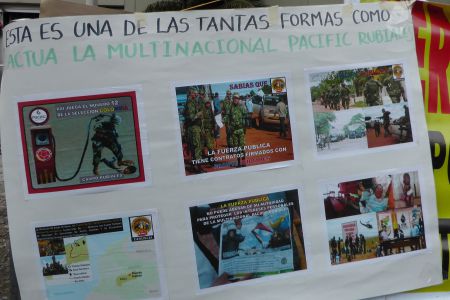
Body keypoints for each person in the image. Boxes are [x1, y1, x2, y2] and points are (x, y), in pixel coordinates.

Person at [184, 88, 205, 173]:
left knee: (193, 148)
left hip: (193, 128)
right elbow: (192, 117)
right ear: (190, 94)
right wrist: (199, 114)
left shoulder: (192, 102)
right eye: (194, 93)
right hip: (194, 128)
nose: (195, 94)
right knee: (197, 148)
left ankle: (194, 167)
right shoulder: (190, 103)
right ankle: (199, 168)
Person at [229, 93, 247, 167]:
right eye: (234, 98)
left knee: (242, 147)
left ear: (238, 99)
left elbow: (245, 116)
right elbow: (229, 117)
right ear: (233, 99)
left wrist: (243, 126)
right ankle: (239, 163)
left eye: (237, 98)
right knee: (237, 148)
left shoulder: (241, 107)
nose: (235, 99)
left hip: (240, 130)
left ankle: (243, 162)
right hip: (234, 131)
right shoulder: (231, 108)